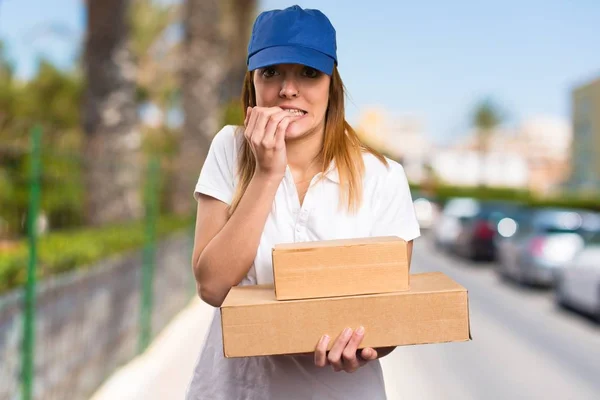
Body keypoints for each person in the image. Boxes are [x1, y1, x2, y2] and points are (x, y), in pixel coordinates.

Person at [186, 5, 420, 400]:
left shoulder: (383, 177)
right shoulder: (230, 148)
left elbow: (389, 314)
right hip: (238, 390)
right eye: (271, 72)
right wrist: (266, 173)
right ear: (253, 82)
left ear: (332, 83)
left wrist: (366, 348)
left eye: (308, 73)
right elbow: (212, 286)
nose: (288, 89)